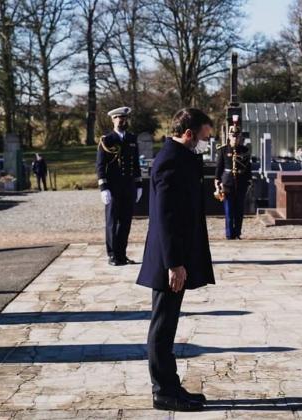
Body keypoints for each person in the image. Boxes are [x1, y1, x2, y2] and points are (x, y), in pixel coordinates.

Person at [136, 108, 215, 412]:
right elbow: (165, 217)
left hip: (175, 258)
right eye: (203, 138)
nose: (204, 144)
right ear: (188, 134)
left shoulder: (179, 157)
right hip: (169, 261)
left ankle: (171, 385)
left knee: (167, 325)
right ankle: (163, 391)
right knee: (162, 326)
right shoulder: (170, 160)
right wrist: (174, 263)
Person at [96, 107, 143, 266]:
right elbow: (100, 166)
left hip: (128, 186)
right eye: (119, 118)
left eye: (124, 118)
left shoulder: (131, 138)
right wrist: (103, 187)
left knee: (125, 222)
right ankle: (112, 255)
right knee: (112, 221)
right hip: (113, 187)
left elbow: (135, 163)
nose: (122, 121)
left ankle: (122, 255)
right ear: (113, 120)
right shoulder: (107, 140)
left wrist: (138, 185)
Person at [214, 125, 252, 240]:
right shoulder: (223, 150)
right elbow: (219, 168)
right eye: (233, 136)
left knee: (239, 210)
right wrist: (217, 181)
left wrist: (249, 181)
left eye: (237, 136)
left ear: (240, 137)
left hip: (241, 183)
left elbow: (248, 168)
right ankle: (229, 234)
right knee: (229, 210)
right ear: (229, 136)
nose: (235, 138)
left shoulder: (244, 150)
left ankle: (238, 232)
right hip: (227, 183)